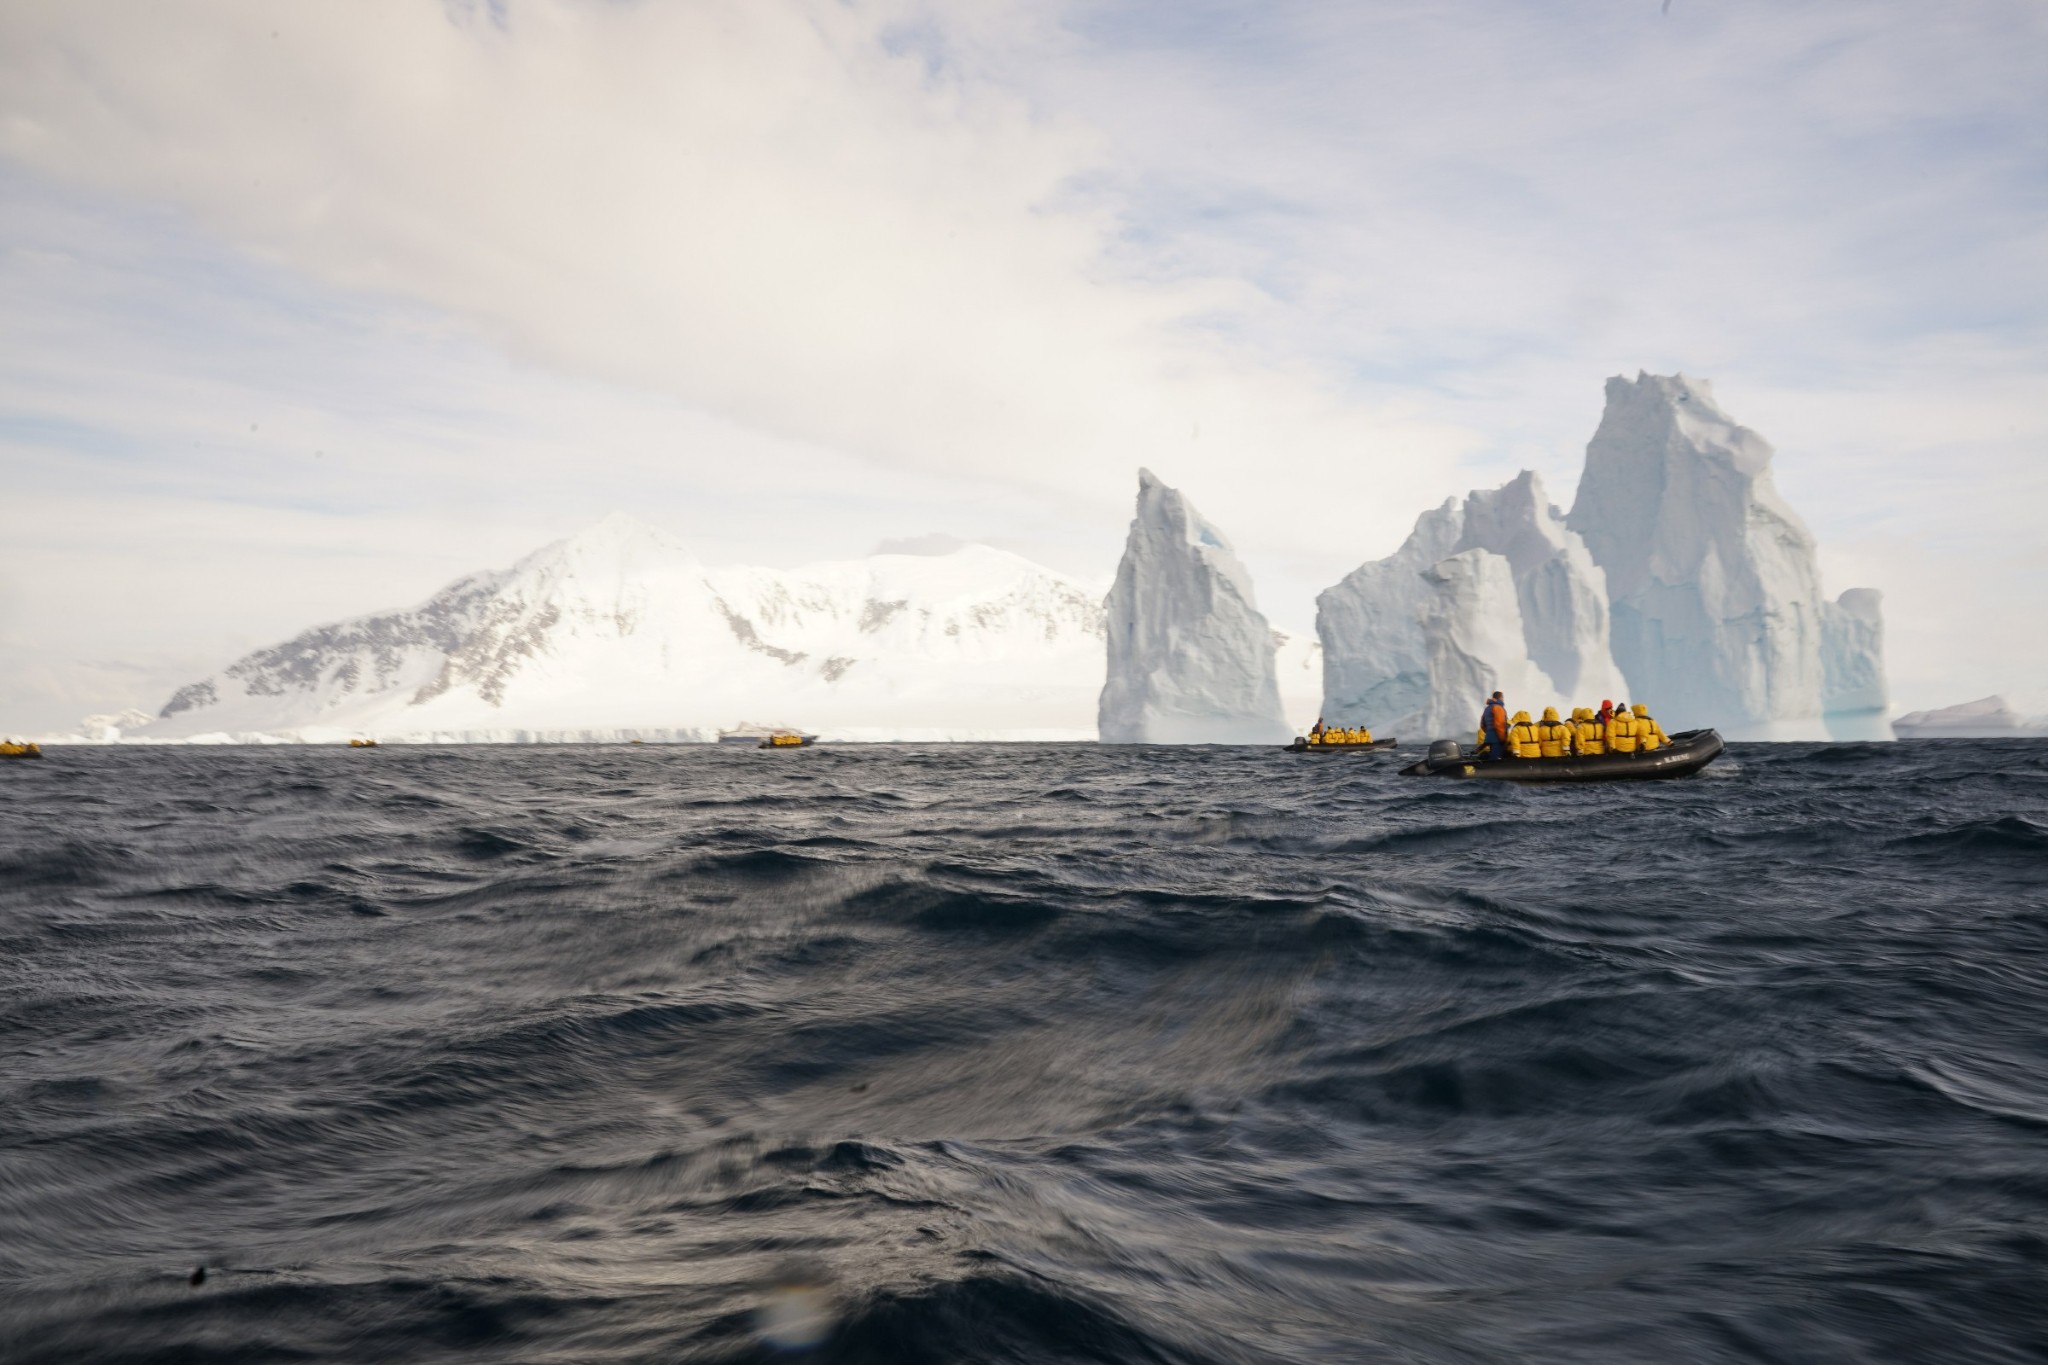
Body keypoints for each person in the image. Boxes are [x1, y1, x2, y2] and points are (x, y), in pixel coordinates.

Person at [1478, 691, 1510, 760]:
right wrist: (1502, 739)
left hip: (1489, 736)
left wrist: (1489, 733)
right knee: (1495, 758)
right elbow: (1499, 724)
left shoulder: (1487, 708)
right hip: (1497, 738)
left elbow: (1482, 724)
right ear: (1501, 697)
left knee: (1491, 756)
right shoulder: (1498, 708)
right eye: (1502, 697)